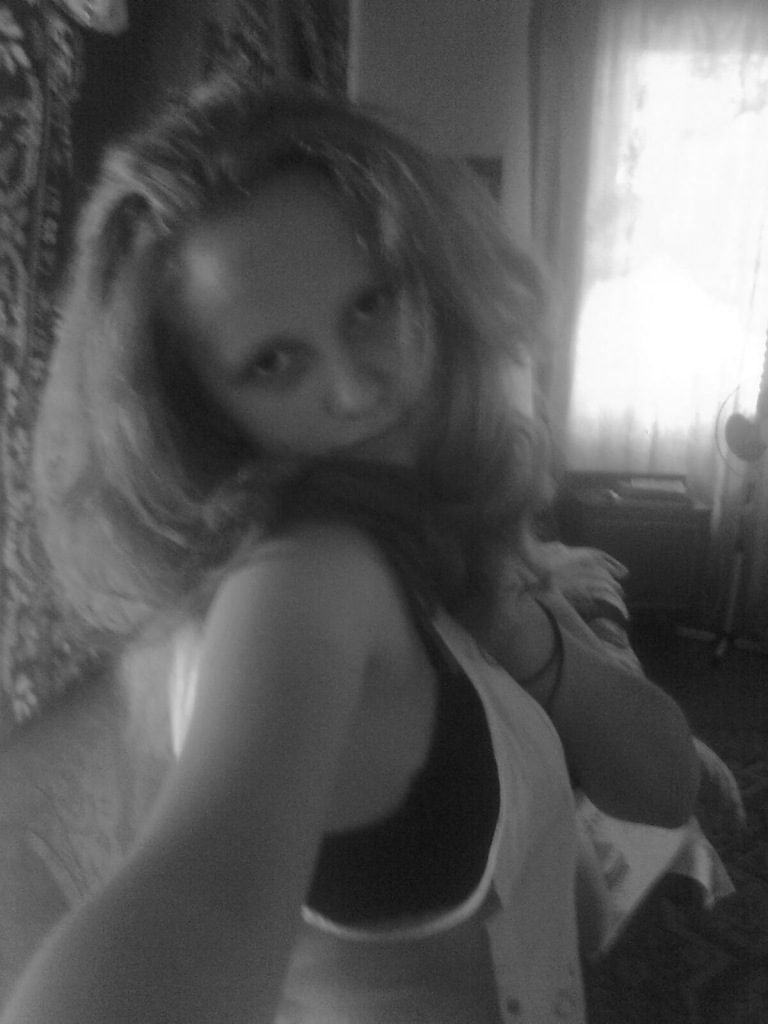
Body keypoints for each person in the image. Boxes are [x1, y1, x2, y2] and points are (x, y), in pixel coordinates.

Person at [4, 75, 700, 1024]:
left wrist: (513, 615)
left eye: (369, 305)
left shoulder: (425, 534)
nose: (359, 388)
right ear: (206, 411)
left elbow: (664, 785)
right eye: (274, 362)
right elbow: (197, 904)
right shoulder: (304, 579)